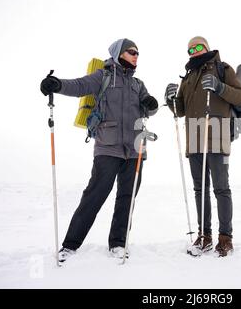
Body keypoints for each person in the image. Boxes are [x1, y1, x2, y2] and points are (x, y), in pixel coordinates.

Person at [40, 38, 158, 262]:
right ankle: (70, 245)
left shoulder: (137, 84)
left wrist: (151, 105)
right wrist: (57, 84)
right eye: (131, 52)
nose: (136, 56)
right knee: (95, 195)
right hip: (108, 146)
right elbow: (79, 86)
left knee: (127, 197)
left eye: (137, 53)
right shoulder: (103, 76)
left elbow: (148, 107)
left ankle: (118, 243)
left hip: (135, 149)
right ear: (118, 53)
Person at [165, 36, 241, 257]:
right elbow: (180, 110)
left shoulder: (222, 68)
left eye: (199, 46)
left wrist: (219, 87)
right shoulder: (188, 78)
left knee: (221, 188)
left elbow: (239, 96)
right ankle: (205, 235)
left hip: (217, 135)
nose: (195, 50)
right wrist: (171, 99)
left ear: (207, 48)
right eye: (191, 48)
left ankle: (225, 238)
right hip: (194, 138)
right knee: (200, 191)